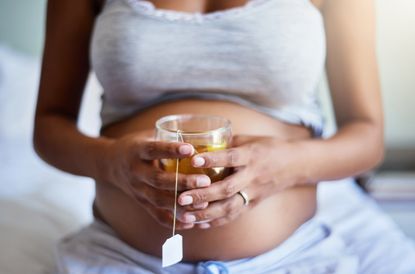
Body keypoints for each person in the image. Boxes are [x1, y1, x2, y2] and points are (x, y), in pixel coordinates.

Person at [33, 0, 415, 273]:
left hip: (293, 256)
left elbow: (366, 136)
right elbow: (50, 125)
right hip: (120, 257)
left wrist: (284, 166)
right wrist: (112, 163)